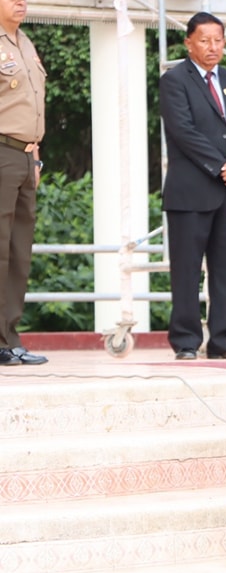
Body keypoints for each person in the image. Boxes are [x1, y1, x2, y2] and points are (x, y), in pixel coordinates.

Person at [160, 11, 226, 360]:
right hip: (191, 193)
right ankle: (186, 342)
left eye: (218, 40)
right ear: (189, 42)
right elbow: (183, 132)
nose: (212, 47)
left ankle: (222, 341)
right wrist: (221, 166)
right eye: (204, 40)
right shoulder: (175, 80)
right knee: (186, 272)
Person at [0, 0, 47, 366]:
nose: (21, 2)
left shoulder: (25, 42)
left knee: (18, 251)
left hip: (25, 155)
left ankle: (8, 337)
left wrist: (34, 156)